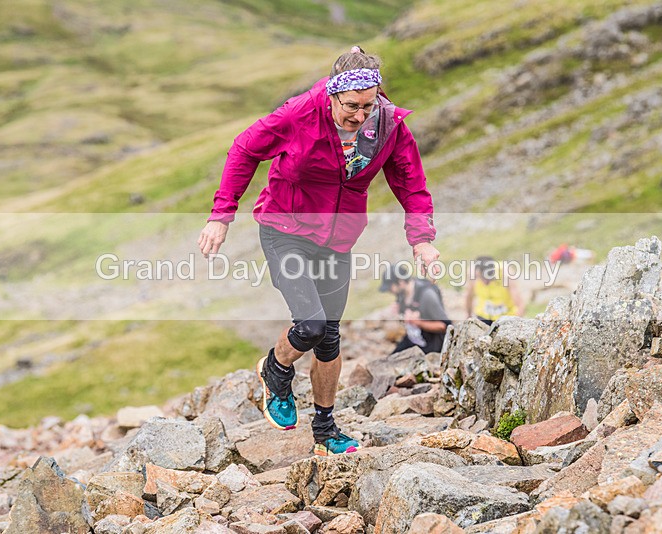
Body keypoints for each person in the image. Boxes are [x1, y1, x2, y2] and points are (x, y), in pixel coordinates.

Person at [197, 46, 440, 456]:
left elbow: (411, 182)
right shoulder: (299, 114)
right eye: (351, 106)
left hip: (338, 241)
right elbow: (244, 149)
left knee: (328, 338)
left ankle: (326, 430)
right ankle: (275, 369)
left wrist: (422, 239)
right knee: (309, 326)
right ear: (332, 95)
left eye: (369, 105)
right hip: (284, 229)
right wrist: (222, 214)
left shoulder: (388, 125)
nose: (360, 115)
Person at [379, 264, 451, 354]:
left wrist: (417, 322)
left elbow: (444, 326)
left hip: (432, 345)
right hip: (413, 339)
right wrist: (399, 311)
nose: (389, 291)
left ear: (400, 282)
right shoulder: (401, 294)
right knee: (389, 361)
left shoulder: (427, 295)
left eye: (390, 287)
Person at [465, 256, 525, 326]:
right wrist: (468, 315)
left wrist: (516, 323)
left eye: (488, 278)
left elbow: (519, 302)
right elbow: (468, 296)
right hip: (484, 314)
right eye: (481, 278)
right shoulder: (473, 274)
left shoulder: (506, 273)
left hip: (506, 315)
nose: (485, 282)